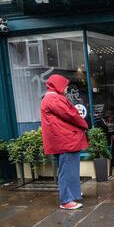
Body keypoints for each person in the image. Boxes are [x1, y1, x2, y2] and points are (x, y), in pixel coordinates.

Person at [40, 74, 89, 210]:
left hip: (62, 140)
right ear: (58, 85)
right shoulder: (53, 98)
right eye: (65, 85)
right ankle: (66, 200)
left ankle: (72, 193)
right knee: (67, 170)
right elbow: (70, 114)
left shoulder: (50, 98)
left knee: (69, 169)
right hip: (65, 140)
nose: (66, 88)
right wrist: (84, 124)